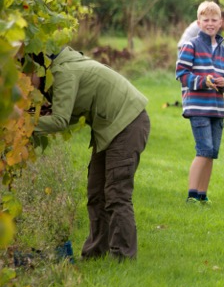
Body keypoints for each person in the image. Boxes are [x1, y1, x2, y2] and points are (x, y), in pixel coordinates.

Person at [31, 47, 150, 261]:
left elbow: (60, 121)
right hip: (108, 127)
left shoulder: (64, 72)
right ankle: (95, 254)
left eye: (26, 76)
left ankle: (122, 256)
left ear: (39, 68)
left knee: (117, 192)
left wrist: (23, 125)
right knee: (96, 191)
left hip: (127, 123)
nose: (24, 84)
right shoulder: (59, 72)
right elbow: (71, 112)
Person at [176, 1, 224, 204]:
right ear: (199, 23)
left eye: (214, 20)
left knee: (212, 152)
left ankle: (202, 195)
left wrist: (223, 83)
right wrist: (203, 81)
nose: (210, 23)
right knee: (203, 149)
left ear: (220, 23)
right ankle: (191, 194)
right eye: (206, 20)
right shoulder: (190, 46)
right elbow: (182, 74)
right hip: (198, 107)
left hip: (216, 108)